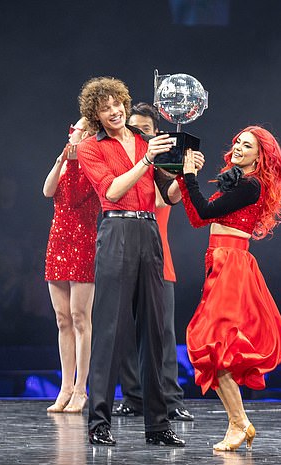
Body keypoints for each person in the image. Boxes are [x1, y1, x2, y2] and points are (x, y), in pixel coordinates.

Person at [76, 76, 186, 446]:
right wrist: (145, 161)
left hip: (148, 232)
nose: (114, 111)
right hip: (117, 233)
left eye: (117, 103)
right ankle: (99, 423)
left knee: (153, 331)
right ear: (96, 115)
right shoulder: (92, 148)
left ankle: (157, 425)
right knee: (110, 329)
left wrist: (185, 176)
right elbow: (111, 190)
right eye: (105, 107)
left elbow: (165, 195)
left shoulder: (143, 142)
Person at [177, 126, 281, 451]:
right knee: (215, 350)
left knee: (214, 345)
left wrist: (188, 177)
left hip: (231, 265)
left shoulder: (251, 184)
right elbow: (201, 219)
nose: (239, 147)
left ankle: (239, 423)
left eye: (248, 145)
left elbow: (205, 211)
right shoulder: (239, 181)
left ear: (260, 155)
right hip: (220, 260)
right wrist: (188, 179)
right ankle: (238, 423)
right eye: (238, 141)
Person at [112, 102, 195, 422]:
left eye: (145, 129)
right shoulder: (120, 162)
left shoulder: (162, 165)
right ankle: (133, 396)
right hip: (123, 254)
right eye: (134, 127)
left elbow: (164, 198)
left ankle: (170, 400)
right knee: (125, 333)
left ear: (156, 132)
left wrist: (186, 172)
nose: (137, 133)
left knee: (162, 334)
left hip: (160, 259)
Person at [43, 117, 100, 414]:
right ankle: (65, 387)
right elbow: (47, 191)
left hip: (83, 243)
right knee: (62, 319)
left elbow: (81, 197)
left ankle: (81, 388)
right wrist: (60, 161)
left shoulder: (93, 163)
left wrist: (79, 161)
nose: (73, 136)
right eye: (72, 131)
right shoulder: (65, 162)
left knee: (80, 318)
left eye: (78, 132)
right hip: (59, 243)